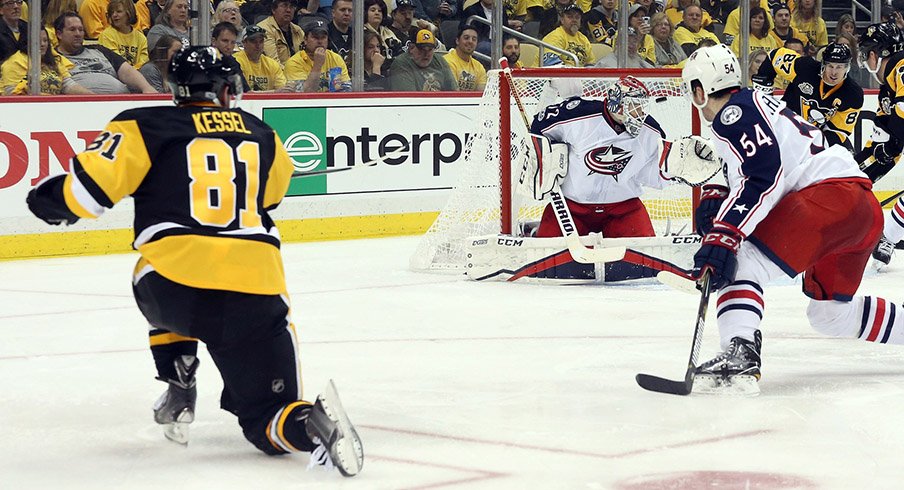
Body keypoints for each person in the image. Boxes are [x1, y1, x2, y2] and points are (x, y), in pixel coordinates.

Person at [24, 45, 364, 476]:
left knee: (153, 262)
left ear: (175, 87)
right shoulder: (261, 133)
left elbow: (85, 198)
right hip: (255, 293)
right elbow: (272, 196)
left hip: (172, 289)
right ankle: (309, 425)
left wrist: (45, 198)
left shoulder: (141, 125)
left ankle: (177, 374)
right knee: (268, 418)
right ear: (226, 90)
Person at [680, 44, 887, 392]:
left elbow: (764, 175)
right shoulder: (755, 104)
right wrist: (719, 199)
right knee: (830, 315)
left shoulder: (733, 113)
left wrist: (724, 235)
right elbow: (758, 172)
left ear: (699, 89)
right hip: (861, 210)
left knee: (739, 257)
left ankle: (740, 352)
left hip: (828, 198)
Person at [752, 42, 863, 151]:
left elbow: (838, 132)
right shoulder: (804, 67)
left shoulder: (853, 94)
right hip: (781, 129)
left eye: (839, 67)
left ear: (847, 67)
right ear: (823, 64)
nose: (834, 72)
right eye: (830, 66)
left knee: (846, 155)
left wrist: (814, 148)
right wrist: (764, 87)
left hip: (812, 138)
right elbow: (774, 56)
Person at [856, 23, 904, 265]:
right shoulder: (888, 91)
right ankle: (888, 238)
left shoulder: (902, 66)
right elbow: (884, 140)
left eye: (867, 53)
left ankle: (889, 237)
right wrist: (858, 174)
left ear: (875, 54)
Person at [54, 12, 157, 94]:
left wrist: (146, 87)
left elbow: (126, 70)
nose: (78, 34)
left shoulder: (99, 50)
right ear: (59, 34)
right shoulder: (53, 57)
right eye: (72, 30)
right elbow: (65, 86)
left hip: (122, 104)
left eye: (81, 30)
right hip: (83, 106)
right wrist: (98, 100)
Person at [0, 26, 93, 94]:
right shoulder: (15, 62)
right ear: (27, 41)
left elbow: (68, 85)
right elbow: (11, 94)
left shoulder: (54, 60)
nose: (43, 44)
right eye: (38, 41)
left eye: (45, 40)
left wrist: (94, 97)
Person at [284, 19, 350, 92]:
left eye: (323, 37)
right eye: (315, 37)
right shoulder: (294, 62)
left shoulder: (336, 58)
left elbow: (346, 88)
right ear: (305, 39)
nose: (320, 41)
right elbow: (304, 93)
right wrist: (317, 65)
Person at [389, 28, 456, 91]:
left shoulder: (440, 61)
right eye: (422, 49)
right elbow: (409, 99)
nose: (426, 54)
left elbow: (454, 92)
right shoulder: (401, 64)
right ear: (411, 48)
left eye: (430, 50)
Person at [98, 0, 149, 69]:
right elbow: (116, 63)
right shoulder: (106, 36)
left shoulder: (141, 38)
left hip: (137, 75)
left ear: (129, 13)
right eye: (112, 12)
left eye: (119, 11)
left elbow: (144, 62)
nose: (114, 15)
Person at [234, 25, 286, 92]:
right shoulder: (236, 61)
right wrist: (274, 92)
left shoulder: (272, 64)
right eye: (253, 41)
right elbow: (243, 93)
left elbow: (282, 90)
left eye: (261, 41)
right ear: (244, 43)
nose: (258, 45)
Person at [258, 0, 304, 67]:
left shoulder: (297, 30)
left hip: (299, 73)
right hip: (276, 74)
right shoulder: (264, 29)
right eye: (284, 5)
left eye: (291, 6)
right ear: (273, 10)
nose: (288, 10)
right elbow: (273, 63)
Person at [443, 25, 486, 91]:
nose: (470, 41)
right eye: (466, 38)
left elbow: (481, 93)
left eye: (474, 39)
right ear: (457, 41)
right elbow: (453, 92)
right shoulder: (446, 61)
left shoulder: (479, 66)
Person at [0, 0, 26, 65]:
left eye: (18, 2)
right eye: (10, 3)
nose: (16, 6)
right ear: (1, 10)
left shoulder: (29, 28)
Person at [328, 0, 352, 65]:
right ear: (333, 13)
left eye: (350, 10)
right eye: (342, 10)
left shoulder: (357, 35)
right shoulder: (325, 33)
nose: (347, 13)